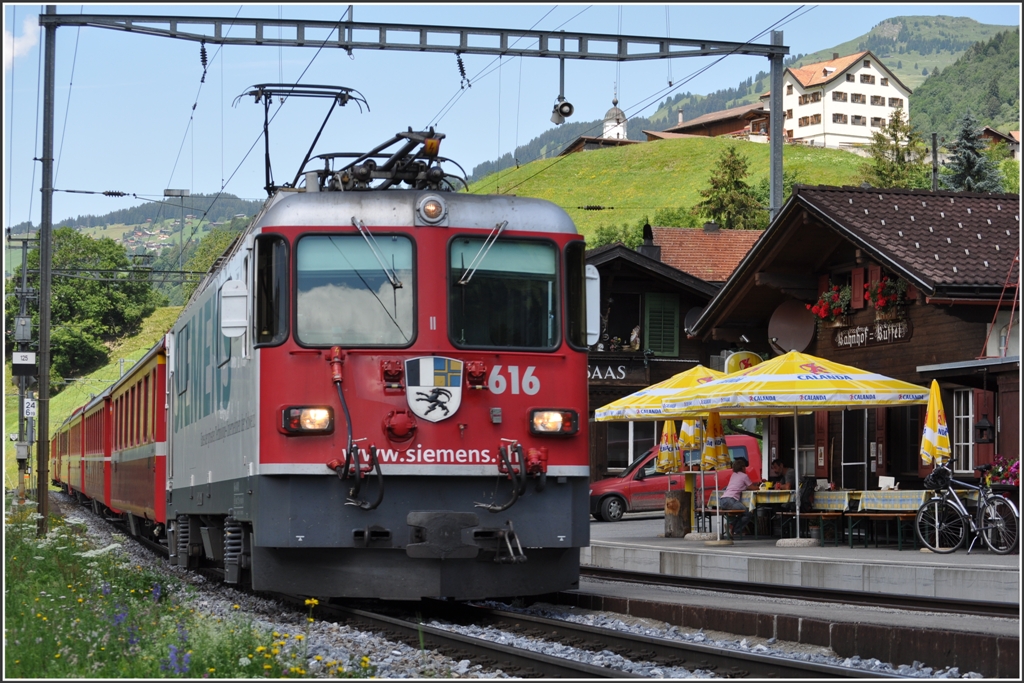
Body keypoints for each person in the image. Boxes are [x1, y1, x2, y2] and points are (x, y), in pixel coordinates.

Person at [719, 457, 758, 537]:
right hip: (731, 500)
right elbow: (752, 487)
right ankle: (735, 529)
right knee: (748, 513)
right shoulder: (744, 476)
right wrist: (759, 486)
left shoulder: (734, 475)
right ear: (743, 467)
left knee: (739, 512)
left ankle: (731, 527)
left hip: (723, 500)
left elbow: (740, 485)